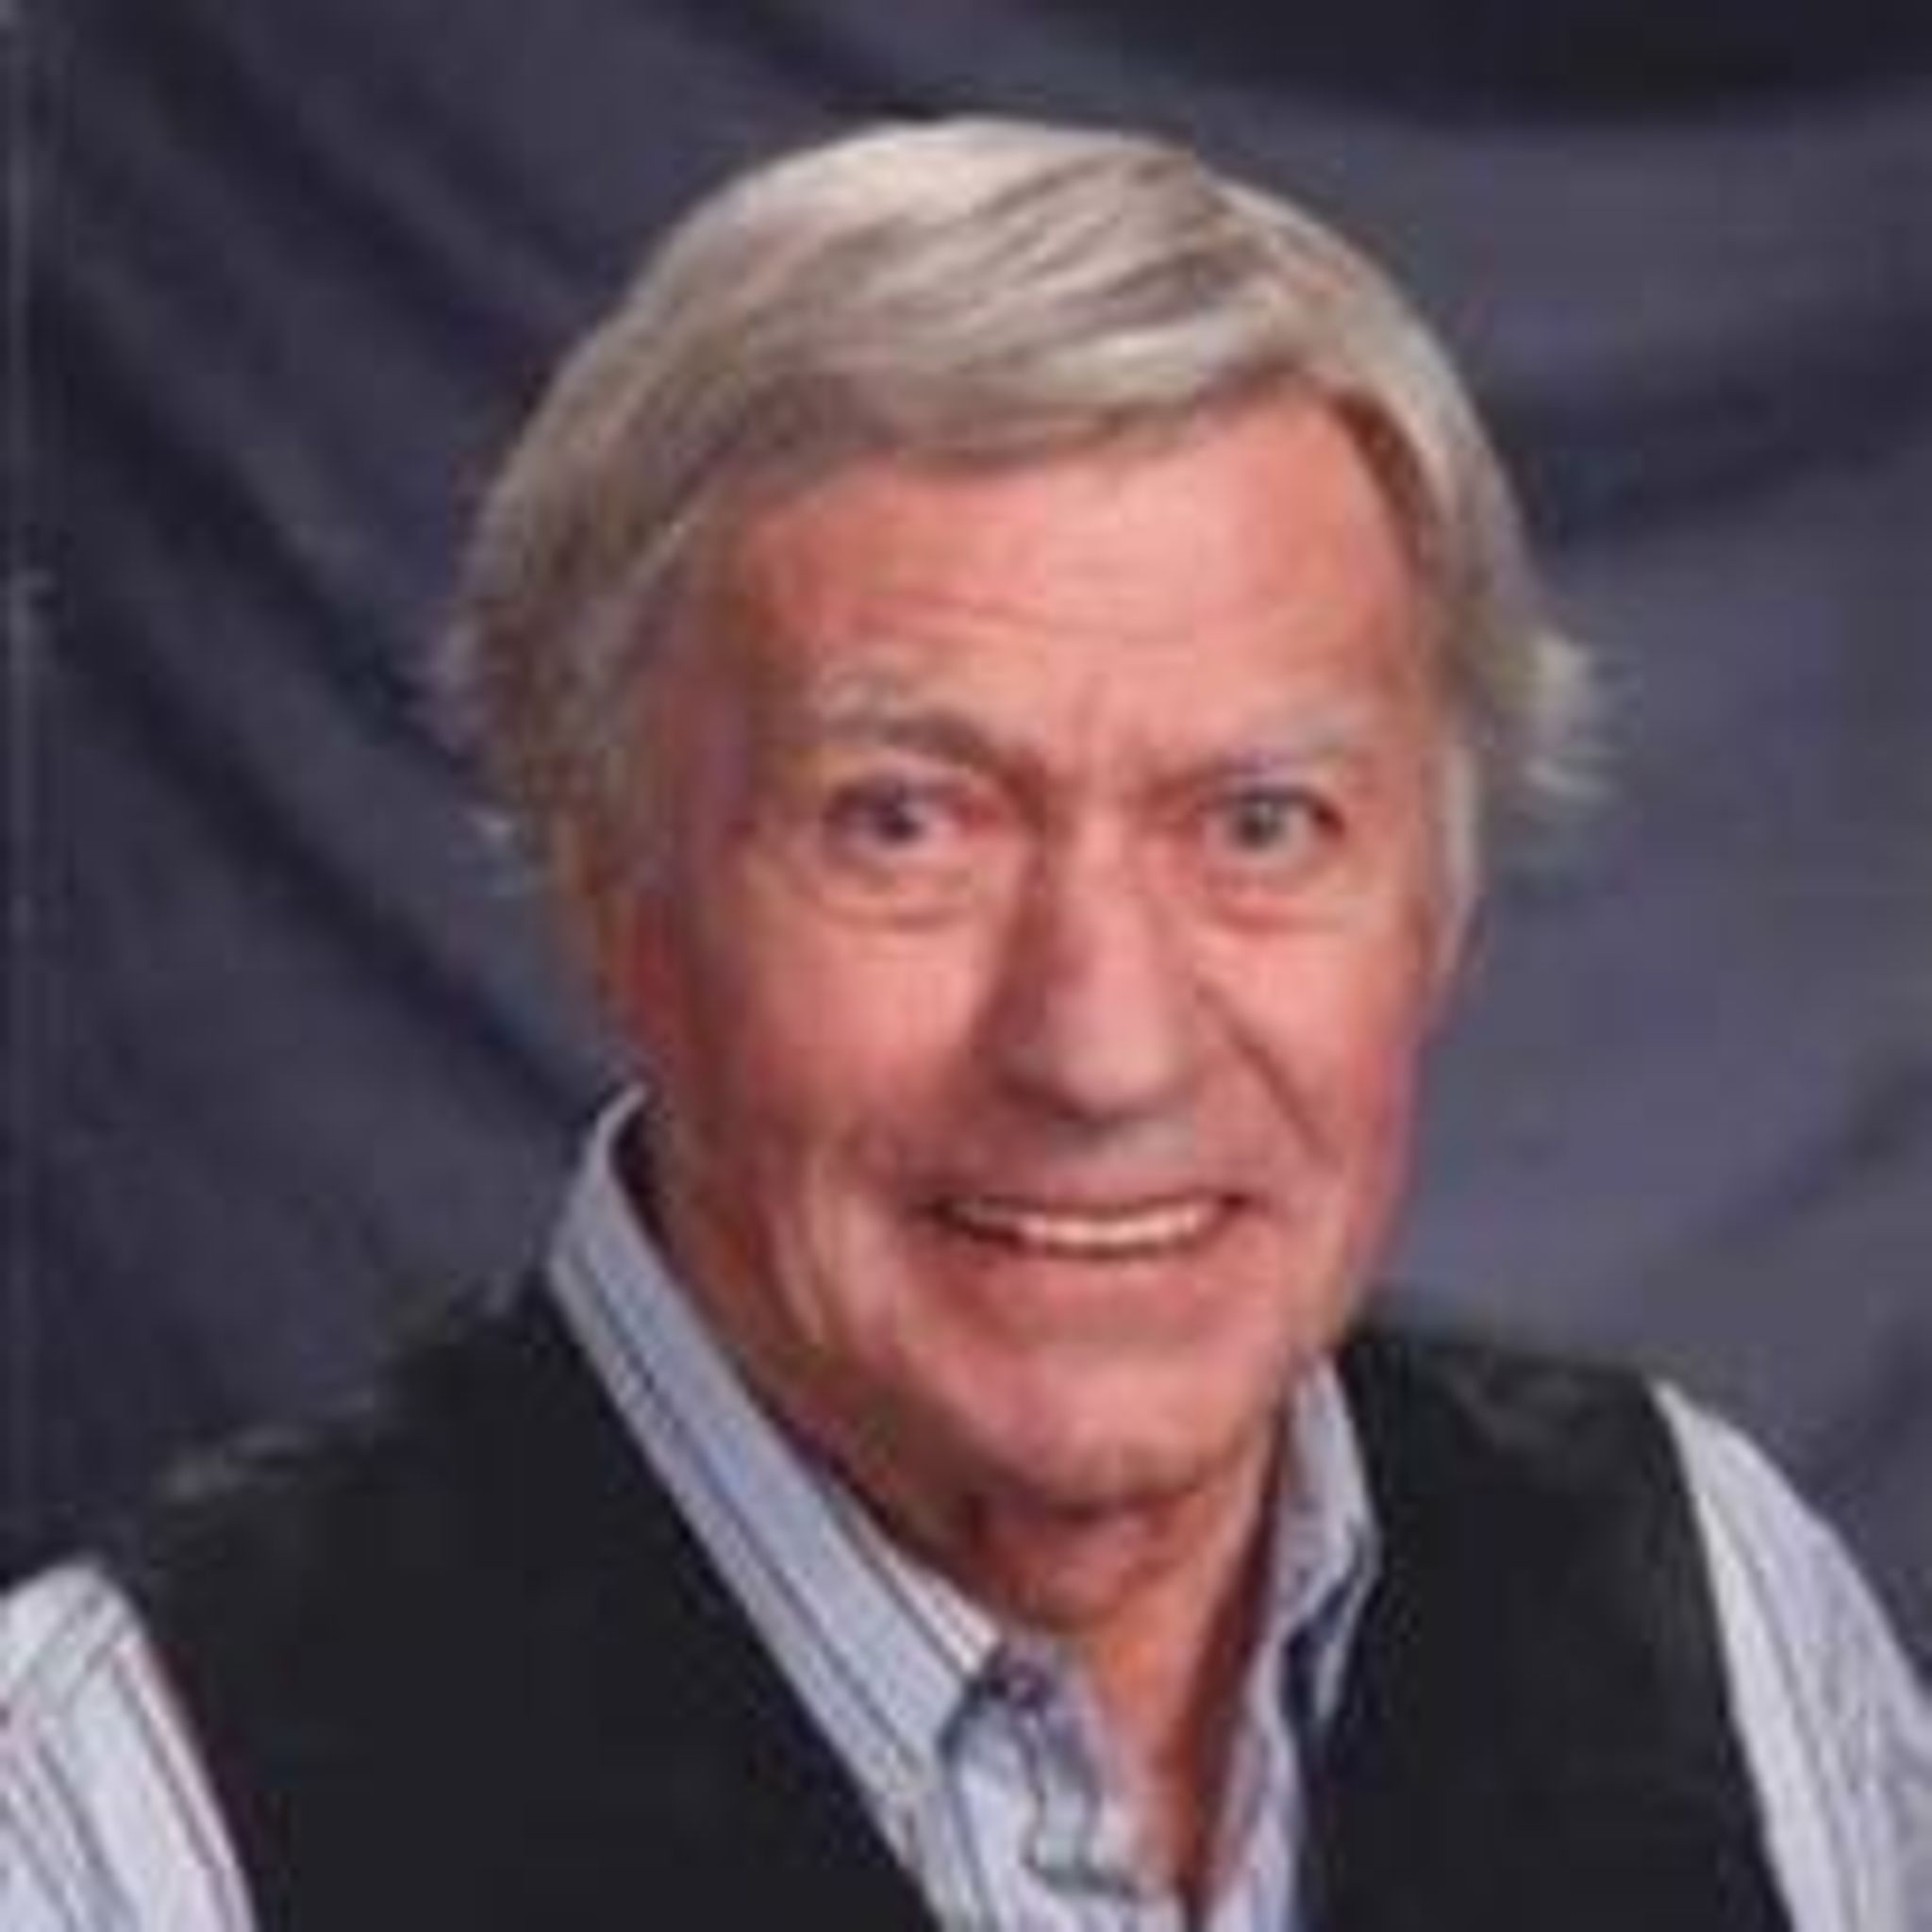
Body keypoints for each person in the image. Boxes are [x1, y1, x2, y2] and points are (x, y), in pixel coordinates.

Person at [4, 117, 1926, 1931]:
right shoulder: (110, 1819)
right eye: (905, 823)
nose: (1101, 1049)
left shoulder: (1722, 1615)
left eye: (1261, 823)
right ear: (609, 887)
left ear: (1439, 909)